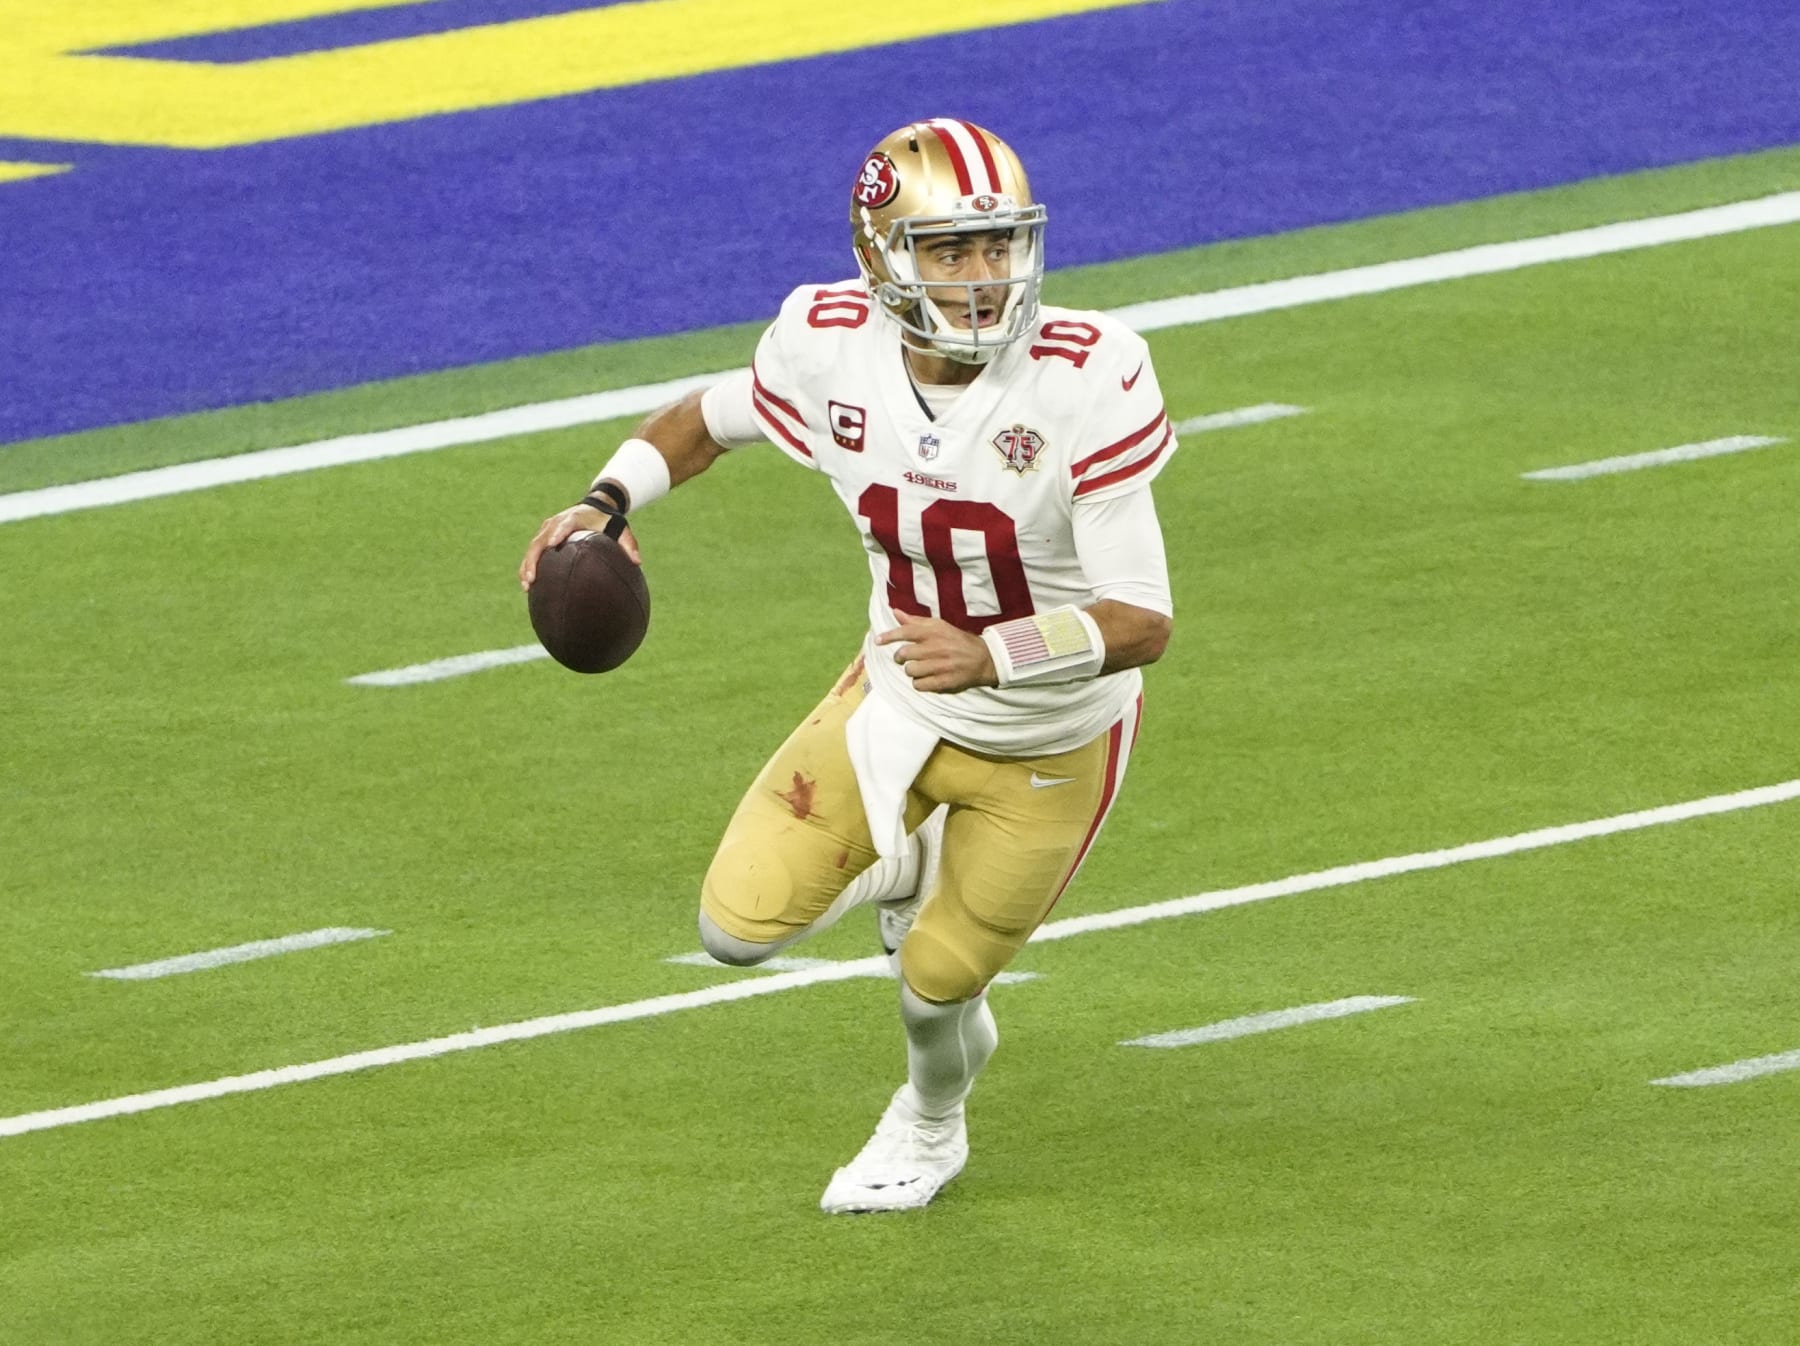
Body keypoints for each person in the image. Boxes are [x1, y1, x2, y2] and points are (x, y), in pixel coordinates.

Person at [520, 118, 1176, 1213]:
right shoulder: (831, 347)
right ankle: (902, 857)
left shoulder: (1086, 376)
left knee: (934, 989)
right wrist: (605, 501)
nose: (985, 277)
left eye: (1001, 244)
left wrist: (995, 652)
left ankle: (929, 1123)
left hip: (1051, 740)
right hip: (900, 698)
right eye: (951, 251)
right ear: (883, 259)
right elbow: (704, 421)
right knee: (732, 930)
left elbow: (1143, 619)